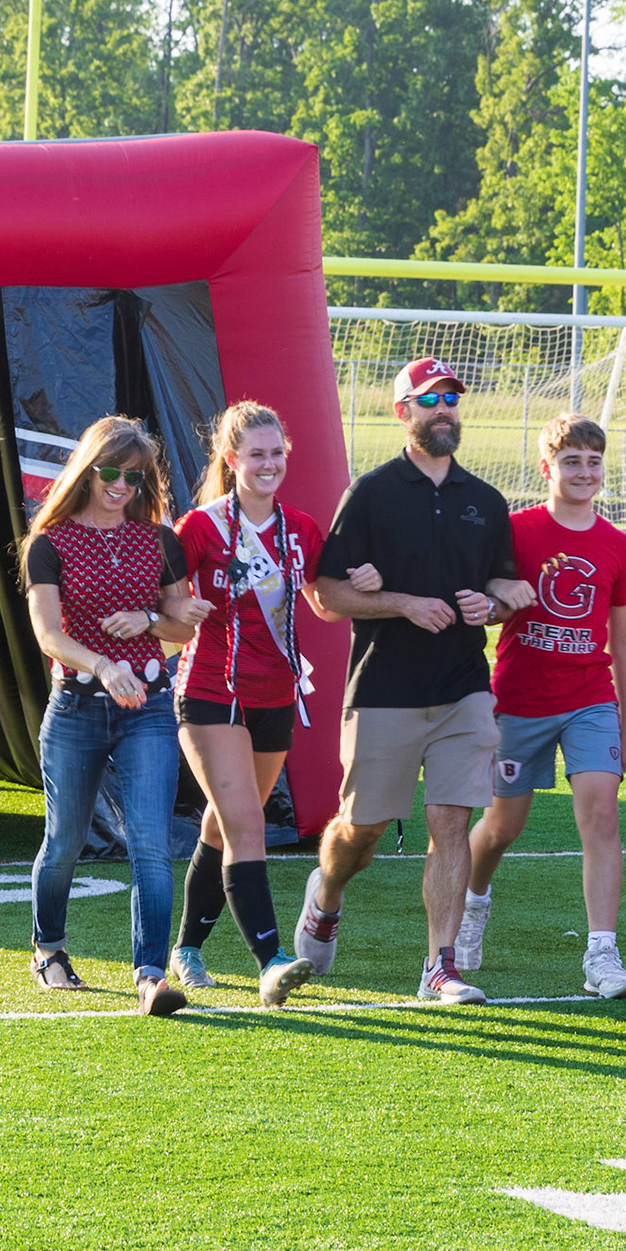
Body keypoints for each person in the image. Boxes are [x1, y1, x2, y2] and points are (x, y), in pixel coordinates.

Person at [297, 357, 533, 1004]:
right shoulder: (370, 493)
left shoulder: (486, 500)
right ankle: (326, 896)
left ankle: (439, 967)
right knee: (363, 831)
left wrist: (498, 602)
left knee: (450, 820)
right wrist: (402, 603)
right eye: (429, 399)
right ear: (402, 412)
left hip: (464, 685)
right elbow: (326, 594)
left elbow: (500, 585)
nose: (443, 409)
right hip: (383, 689)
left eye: (451, 397)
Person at [166, 400, 380, 1007]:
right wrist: (177, 611)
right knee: (247, 824)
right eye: (256, 454)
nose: (268, 464)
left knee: (225, 823)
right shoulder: (200, 527)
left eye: (276, 453)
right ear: (231, 459)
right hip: (211, 692)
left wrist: (364, 584)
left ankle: (187, 946)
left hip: (276, 695)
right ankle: (272, 961)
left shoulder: (301, 528)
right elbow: (166, 604)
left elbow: (324, 602)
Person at [22, 415, 205, 1017]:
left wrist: (150, 620)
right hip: (76, 705)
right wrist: (102, 664)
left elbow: (182, 625)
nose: (121, 485)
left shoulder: (159, 540)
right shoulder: (49, 543)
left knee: (150, 841)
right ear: (87, 469)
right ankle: (49, 950)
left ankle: (151, 975)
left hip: (147, 708)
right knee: (65, 841)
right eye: (110, 472)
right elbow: (49, 634)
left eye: (135, 476)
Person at [459, 413, 626, 996]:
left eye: (593, 461)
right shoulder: (514, 531)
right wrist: (498, 597)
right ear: (547, 467)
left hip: (591, 699)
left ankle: (602, 955)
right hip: (520, 699)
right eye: (571, 461)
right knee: (502, 826)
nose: (584, 471)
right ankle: (472, 902)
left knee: (602, 814)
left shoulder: (617, 544)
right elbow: (481, 600)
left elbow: (624, 639)